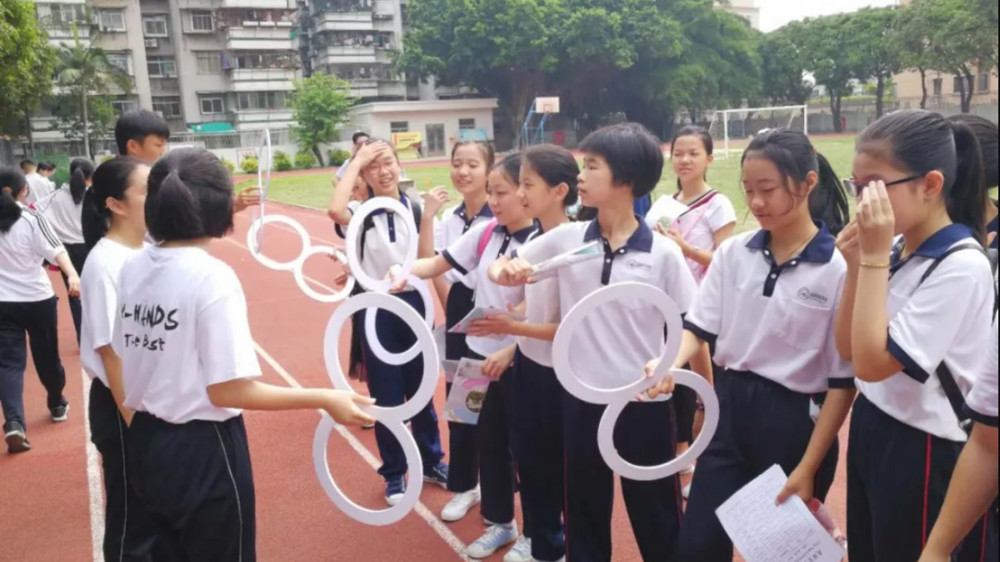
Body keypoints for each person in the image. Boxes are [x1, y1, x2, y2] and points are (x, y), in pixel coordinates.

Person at [116, 148, 375, 561]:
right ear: (220, 207)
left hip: (146, 440)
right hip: (202, 449)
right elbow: (228, 390)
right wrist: (325, 398)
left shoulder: (132, 266)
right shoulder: (211, 276)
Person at [493, 123, 699, 562]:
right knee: (585, 512)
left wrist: (669, 372)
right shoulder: (568, 240)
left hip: (642, 404)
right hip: (581, 401)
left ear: (625, 178)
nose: (580, 177)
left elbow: (688, 324)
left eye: (592, 166)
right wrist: (506, 272)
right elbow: (507, 268)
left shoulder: (663, 254)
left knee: (656, 514)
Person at [648, 129, 855, 561]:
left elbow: (842, 384)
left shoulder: (837, 269)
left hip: (795, 424)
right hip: (729, 411)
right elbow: (699, 328)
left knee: (783, 553)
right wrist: (668, 363)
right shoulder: (734, 253)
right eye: (748, 190)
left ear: (808, 183)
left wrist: (807, 466)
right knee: (698, 545)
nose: (756, 203)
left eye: (768, 190)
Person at [836, 109, 997, 562]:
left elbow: (872, 363)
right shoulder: (896, 248)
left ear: (930, 184)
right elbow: (847, 350)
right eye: (856, 186)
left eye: (874, 186)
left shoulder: (961, 265)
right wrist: (856, 267)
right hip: (874, 424)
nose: (863, 202)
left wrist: (869, 260)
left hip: (923, 448)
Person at [402, 153, 535, 560]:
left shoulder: (542, 241)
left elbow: (540, 313)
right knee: (480, 435)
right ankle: (500, 521)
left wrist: (511, 350)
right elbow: (434, 263)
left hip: (519, 361)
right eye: (491, 192)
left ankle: (539, 531)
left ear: (527, 193)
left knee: (527, 448)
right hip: (475, 350)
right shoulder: (486, 232)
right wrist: (390, 273)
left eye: (501, 192)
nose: (494, 201)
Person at [474, 144, 580, 562]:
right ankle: (541, 540)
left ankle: (553, 541)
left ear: (559, 191)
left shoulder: (574, 241)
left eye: (526, 185)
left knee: (563, 467)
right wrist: (505, 276)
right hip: (531, 367)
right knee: (531, 460)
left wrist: (513, 331)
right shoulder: (537, 237)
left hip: (565, 373)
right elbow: (506, 279)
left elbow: (573, 324)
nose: (518, 194)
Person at [328, 139, 448, 506]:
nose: (382, 171)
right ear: (363, 174)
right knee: (386, 395)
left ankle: (431, 460)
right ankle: (395, 473)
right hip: (375, 308)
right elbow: (334, 210)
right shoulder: (358, 212)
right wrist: (357, 159)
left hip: (412, 304)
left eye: (388, 163)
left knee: (422, 389)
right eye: (372, 167)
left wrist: (427, 216)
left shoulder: (413, 208)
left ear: (400, 165)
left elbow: (429, 260)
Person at [79, 156, 177, 560]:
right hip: (124, 404)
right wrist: (135, 423)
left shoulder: (148, 250)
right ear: (116, 204)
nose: (158, 196)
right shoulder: (105, 264)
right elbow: (110, 352)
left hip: (150, 400)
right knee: (132, 520)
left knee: (160, 513)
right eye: (147, 190)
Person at [416, 141, 495, 525]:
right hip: (461, 312)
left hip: (498, 319)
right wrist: (428, 217)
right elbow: (434, 265)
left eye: (473, 164)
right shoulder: (451, 218)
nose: (463, 172)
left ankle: (500, 485)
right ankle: (467, 484)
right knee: (464, 406)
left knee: (499, 410)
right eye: (457, 164)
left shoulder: (503, 215)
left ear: (489, 169)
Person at [0, 166, 79, 452]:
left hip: (2, 304)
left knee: (8, 364)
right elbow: (57, 250)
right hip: (37, 300)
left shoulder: (30, 217)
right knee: (47, 357)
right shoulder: (32, 218)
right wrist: (71, 274)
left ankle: (14, 423)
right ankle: (57, 402)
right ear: (22, 191)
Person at [113, 109, 259, 214]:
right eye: (158, 145)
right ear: (133, 146)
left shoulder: (149, 178)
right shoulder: (123, 183)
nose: (162, 152)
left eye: (164, 145)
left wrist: (232, 206)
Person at [35, 158, 95, 343]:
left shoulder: (55, 197)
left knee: (75, 293)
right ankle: (101, 335)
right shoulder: (95, 195)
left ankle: (82, 337)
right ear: (90, 175)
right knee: (96, 292)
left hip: (66, 252)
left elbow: (35, 213)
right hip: (91, 247)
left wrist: (56, 231)